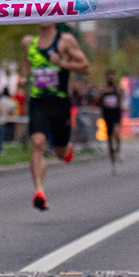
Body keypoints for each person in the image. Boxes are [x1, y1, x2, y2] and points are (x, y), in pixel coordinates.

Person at [21, 23, 89, 210]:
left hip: (60, 103)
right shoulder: (29, 42)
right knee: (37, 143)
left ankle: (67, 148)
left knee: (60, 152)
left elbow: (85, 66)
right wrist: (23, 78)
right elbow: (26, 63)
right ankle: (39, 192)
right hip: (38, 102)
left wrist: (62, 64)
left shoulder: (65, 41)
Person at [99, 70, 122, 168]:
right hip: (107, 115)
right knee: (109, 137)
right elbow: (98, 101)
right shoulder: (103, 90)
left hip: (116, 114)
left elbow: (120, 100)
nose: (111, 78)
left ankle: (118, 149)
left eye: (112, 75)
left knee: (116, 133)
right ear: (107, 77)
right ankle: (112, 155)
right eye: (109, 76)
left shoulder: (117, 89)